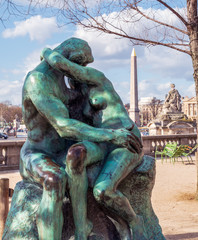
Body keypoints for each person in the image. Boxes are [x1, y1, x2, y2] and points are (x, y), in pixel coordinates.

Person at [20, 37, 140, 240]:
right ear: (73, 60)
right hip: (39, 152)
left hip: (66, 150)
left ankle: (83, 226)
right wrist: (112, 135)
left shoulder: (69, 83)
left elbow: (84, 117)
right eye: (82, 64)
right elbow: (63, 126)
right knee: (55, 179)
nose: (83, 70)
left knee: (76, 160)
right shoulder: (37, 80)